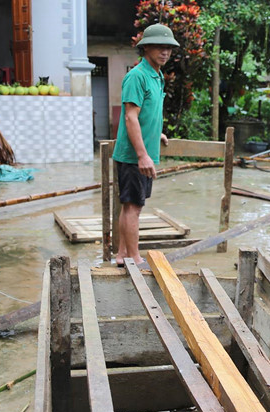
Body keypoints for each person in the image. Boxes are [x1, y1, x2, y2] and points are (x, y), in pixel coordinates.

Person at [112, 24, 178, 266]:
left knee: (130, 205)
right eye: (160, 47)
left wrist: (155, 134)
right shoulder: (137, 76)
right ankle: (135, 258)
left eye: (169, 48)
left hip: (142, 151)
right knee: (134, 208)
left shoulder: (157, 75)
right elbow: (130, 117)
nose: (165, 52)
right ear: (146, 47)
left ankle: (121, 256)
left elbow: (145, 115)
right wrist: (142, 155)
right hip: (132, 156)